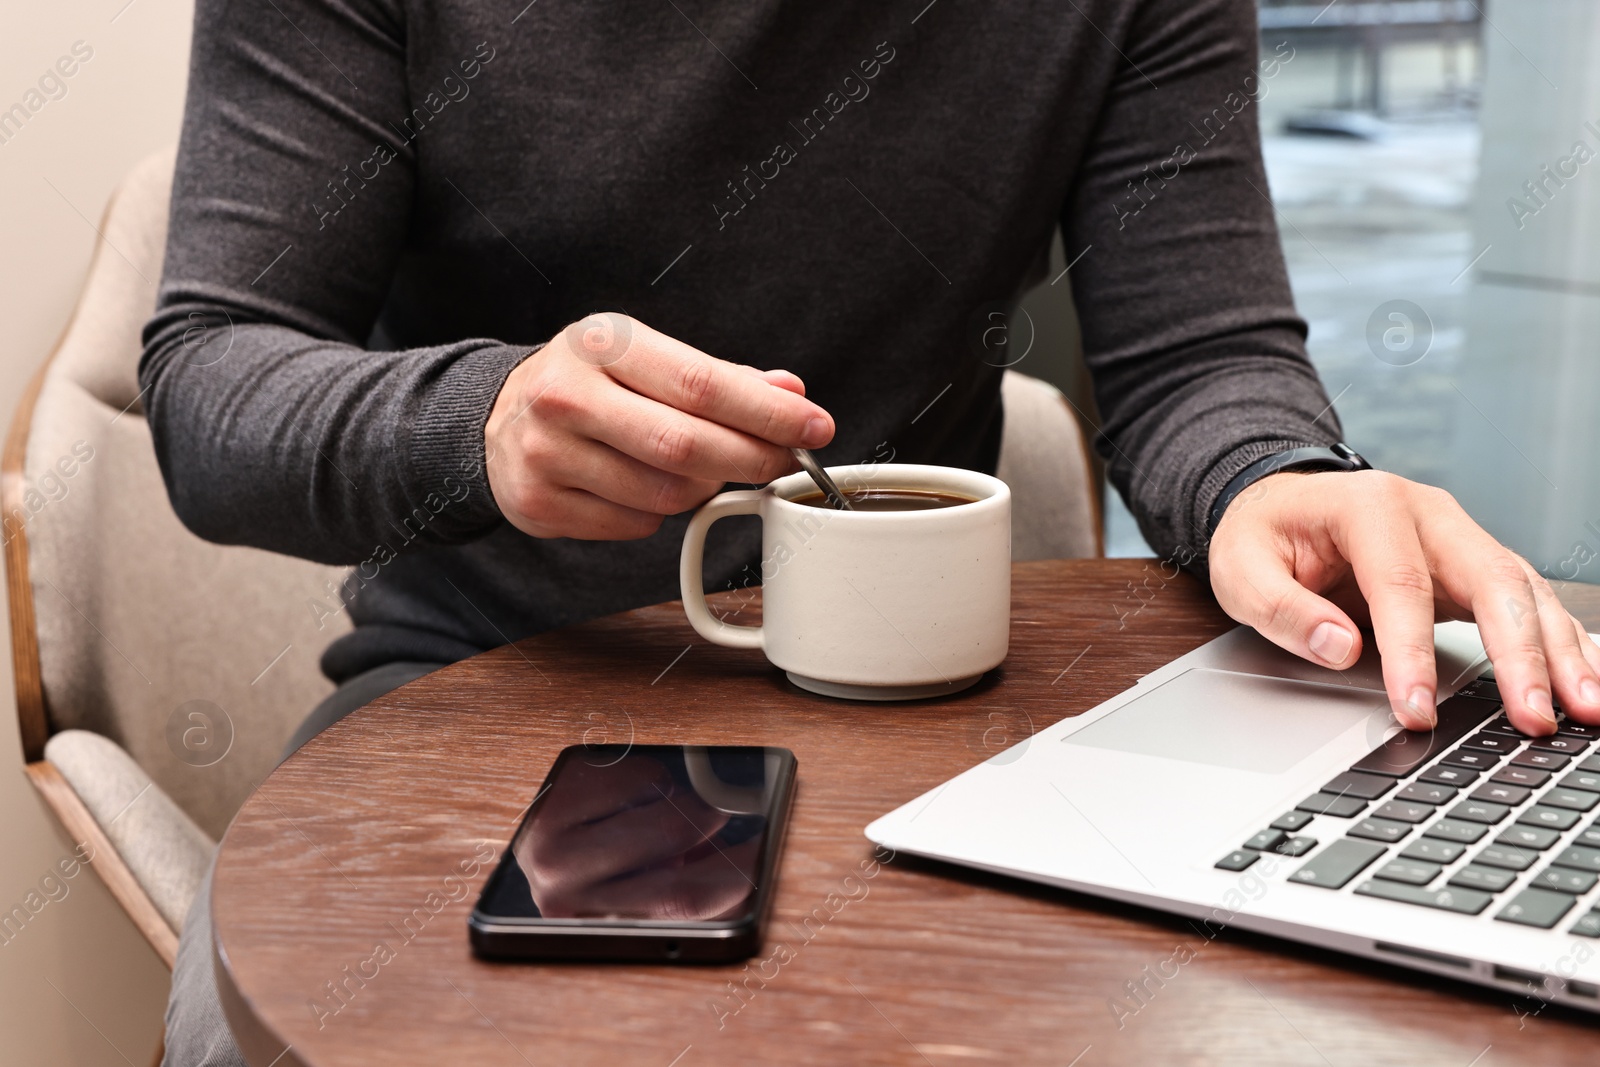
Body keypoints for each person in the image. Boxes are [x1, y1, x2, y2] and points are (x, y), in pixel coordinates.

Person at [141, 0, 1600, 1062]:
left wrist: (1272, 474)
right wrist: (481, 424)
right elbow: (212, 375)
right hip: (481, 689)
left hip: (952, 731)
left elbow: (1199, 359)